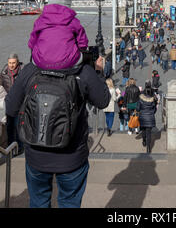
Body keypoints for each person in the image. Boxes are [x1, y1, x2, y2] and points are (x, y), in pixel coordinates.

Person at [5, 52, 110, 208]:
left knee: (38, 202)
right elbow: (103, 100)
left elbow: (10, 107)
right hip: (72, 158)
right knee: (69, 203)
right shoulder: (83, 71)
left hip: (36, 155)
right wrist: (99, 71)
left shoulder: (30, 69)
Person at [28, 0, 88, 70]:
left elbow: (31, 43)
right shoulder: (73, 21)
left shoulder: (40, 20)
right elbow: (83, 44)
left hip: (40, 61)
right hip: (67, 62)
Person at [0, 53, 23, 153]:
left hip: (20, 102)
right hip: (9, 102)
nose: (11, 65)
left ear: (17, 62)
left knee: (18, 126)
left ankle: (20, 147)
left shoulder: (22, 72)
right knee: (9, 125)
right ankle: (9, 148)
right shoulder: (4, 73)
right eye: (10, 63)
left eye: (13, 63)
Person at [136, 81, 157, 153]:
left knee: (143, 130)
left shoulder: (141, 97)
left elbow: (138, 108)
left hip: (142, 116)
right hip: (150, 116)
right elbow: (154, 109)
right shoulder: (153, 97)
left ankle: (144, 140)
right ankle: (148, 148)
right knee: (149, 133)